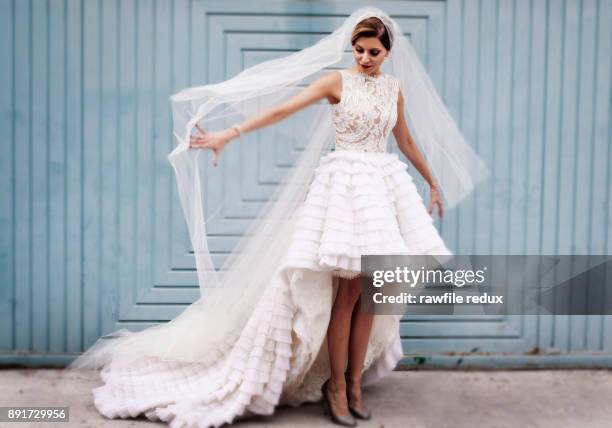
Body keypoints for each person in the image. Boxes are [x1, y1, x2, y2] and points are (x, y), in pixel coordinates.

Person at [63, 6, 488, 428]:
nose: (363, 58)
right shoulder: (336, 82)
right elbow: (284, 109)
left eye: (373, 52)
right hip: (344, 189)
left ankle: (355, 384)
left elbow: (406, 139)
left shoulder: (393, 89)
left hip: (381, 190)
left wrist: (432, 180)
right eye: (358, 49)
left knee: (371, 295)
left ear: (387, 52)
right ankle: (336, 386)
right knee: (347, 294)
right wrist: (230, 133)